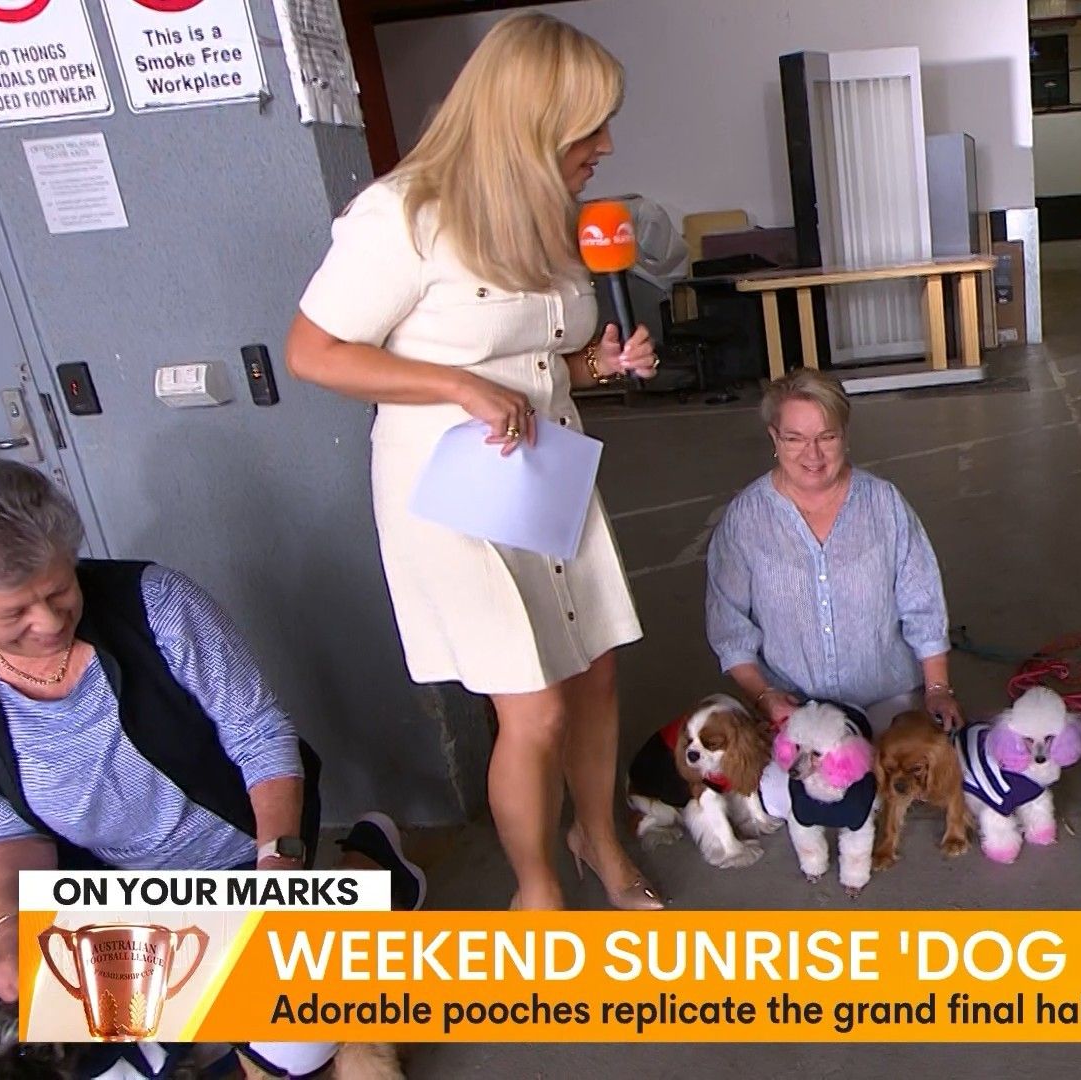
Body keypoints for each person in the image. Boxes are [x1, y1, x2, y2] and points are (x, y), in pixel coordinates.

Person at [285, 13, 661, 912]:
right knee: (534, 706)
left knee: (595, 670)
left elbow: (540, 362)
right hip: (453, 494)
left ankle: (598, 837)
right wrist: (455, 385)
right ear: (528, 121)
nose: (606, 146)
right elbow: (313, 352)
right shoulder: (403, 215)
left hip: (545, 473)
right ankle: (537, 886)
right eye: (589, 126)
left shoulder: (542, 214)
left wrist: (598, 364)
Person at [0, 459, 423, 1078]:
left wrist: (278, 870)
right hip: (99, 870)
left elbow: (262, 739)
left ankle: (367, 879)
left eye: (59, 590)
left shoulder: (156, 603)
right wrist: (10, 927)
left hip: (234, 855)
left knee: (289, 1045)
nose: (47, 622)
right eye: (14, 613)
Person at [705, 370, 962, 735]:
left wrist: (937, 690)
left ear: (845, 436)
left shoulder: (884, 503)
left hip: (888, 700)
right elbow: (729, 627)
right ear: (774, 437)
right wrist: (765, 697)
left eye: (827, 437)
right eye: (794, 438)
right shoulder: (745, 518)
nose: (813, 454)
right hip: (792, 709)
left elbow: (924, 607)